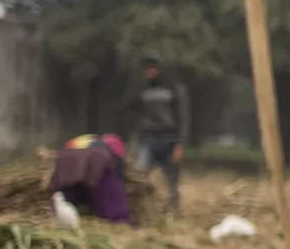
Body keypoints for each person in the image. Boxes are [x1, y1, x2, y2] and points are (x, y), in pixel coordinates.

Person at [130, 55, 188, 214]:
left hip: (169, 139)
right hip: (148, 139)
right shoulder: (142, 89)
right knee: (141, 175)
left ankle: (174, 210)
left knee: (172, 179)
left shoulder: (174, 88)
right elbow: (135, 112)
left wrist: (180, 143)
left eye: (152, 67)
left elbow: (182, 117)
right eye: (147, 68)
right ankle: (143, 209)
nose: (149, 71)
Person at [47, 133, 131, 224]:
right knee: (110, 196)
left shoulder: (90, 139)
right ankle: (117, 221)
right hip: (95, 157)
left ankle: (58, 218)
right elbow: (117, 173)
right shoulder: (115, 145)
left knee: (64, 197)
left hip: (65, 157)